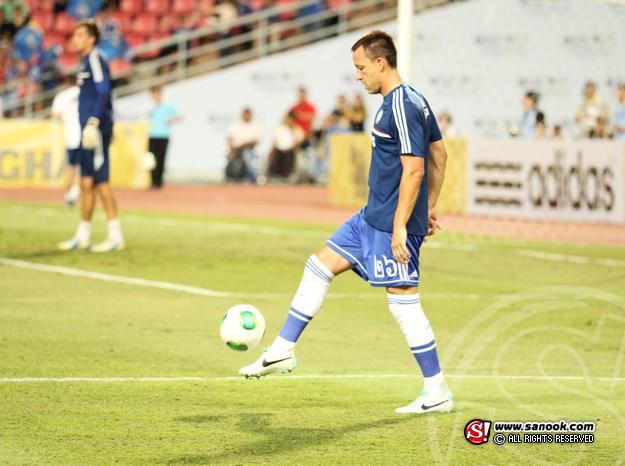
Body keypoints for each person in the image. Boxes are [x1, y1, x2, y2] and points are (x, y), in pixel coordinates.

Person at [240, 30, 452, 415]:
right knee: (318, 266)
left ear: (381, 64)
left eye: (361, 67)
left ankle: (436, 390)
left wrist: (405, 224)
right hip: (369, 218)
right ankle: (282, 350)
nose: (357, 75)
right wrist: (429, 207)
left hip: (389, 225)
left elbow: (417, 167)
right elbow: (441, 154)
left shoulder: (401, 105)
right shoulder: (411, 99)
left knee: (403, 305)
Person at [58, 20, 125, 252]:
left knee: (101, 182)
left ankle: (115, 235)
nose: (75, 39)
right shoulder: (86, 61)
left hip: (95, 129)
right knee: (86, 182)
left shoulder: (96, 58)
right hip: (86, 129)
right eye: (74, 35)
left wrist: (95, 121)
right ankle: (83, 234)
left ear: (91, 39)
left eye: (80, 35)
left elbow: (104, 90)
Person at [51, 75, 81, 208]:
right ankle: (75, 192)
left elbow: (55, 116)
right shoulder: (86, 94)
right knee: (84, 168)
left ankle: (68, 195)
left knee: (71, 166)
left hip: (71, 135)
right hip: (86, 135)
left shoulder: (62, 96)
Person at [148, 85, 181, 188]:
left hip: (164, 135)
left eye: (157, 94)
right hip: (152, 135)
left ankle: (159, 181)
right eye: (153, 94)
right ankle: (153, 181)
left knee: (161, 158)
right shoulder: (152, 107)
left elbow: (179, 116)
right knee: (152, 159)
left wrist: (171, 120)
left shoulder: (168, 106)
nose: (155, 96)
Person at [226, 107, 261, 183]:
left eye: (248, 114)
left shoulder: (255, 125)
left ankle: (252, 178)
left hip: (249, 149)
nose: (246, 116)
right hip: (236, 149)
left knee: (247, 155)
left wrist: (243, 145)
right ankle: (233, 177)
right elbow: (230, 137)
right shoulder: (236, 124)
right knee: (232, 157)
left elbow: (255, 141)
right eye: (245, 114)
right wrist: (232, 148)